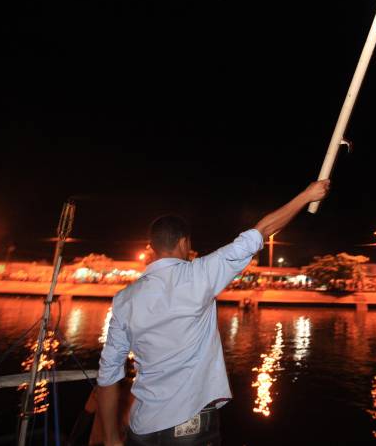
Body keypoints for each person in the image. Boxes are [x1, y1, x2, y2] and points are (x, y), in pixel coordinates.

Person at [96, 180, 331, 446]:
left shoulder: (124, 299)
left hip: (142, 427)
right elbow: (261, 231)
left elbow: (108, 376)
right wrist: (307, 195)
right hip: (190, 429)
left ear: (152, 246)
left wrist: (111, 439)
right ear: (185, 242)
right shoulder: (199, 274)